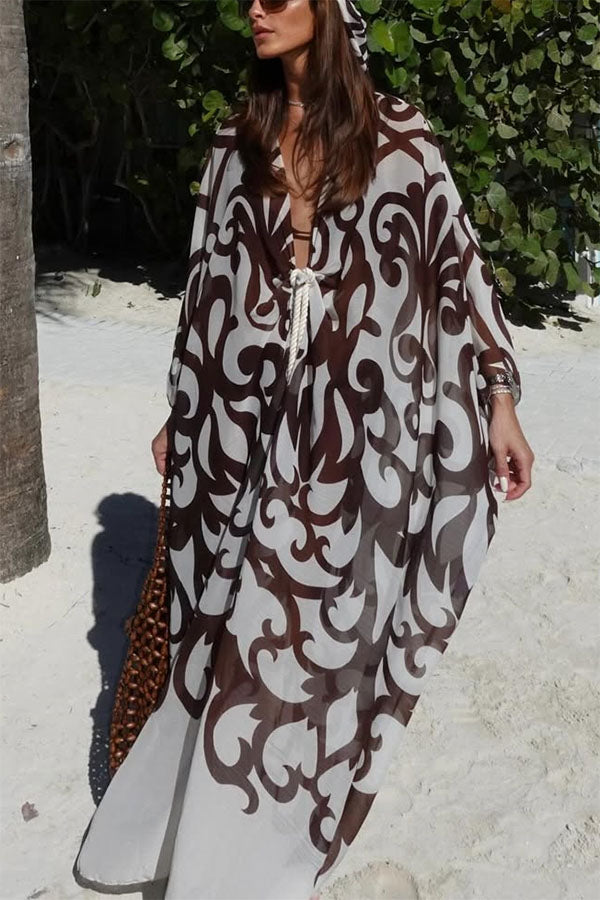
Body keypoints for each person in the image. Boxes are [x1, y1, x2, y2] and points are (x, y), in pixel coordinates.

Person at [74, 2, 534, 898]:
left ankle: (261, 837)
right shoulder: (236, 139)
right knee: (226, 618)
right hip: (239, 418)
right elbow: (205, 284)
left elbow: (459, 267)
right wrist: (180, 408)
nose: (257, 7)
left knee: (308, 624)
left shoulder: (397, 136)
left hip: (347, 431)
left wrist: (499, 398)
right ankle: (199, 825)